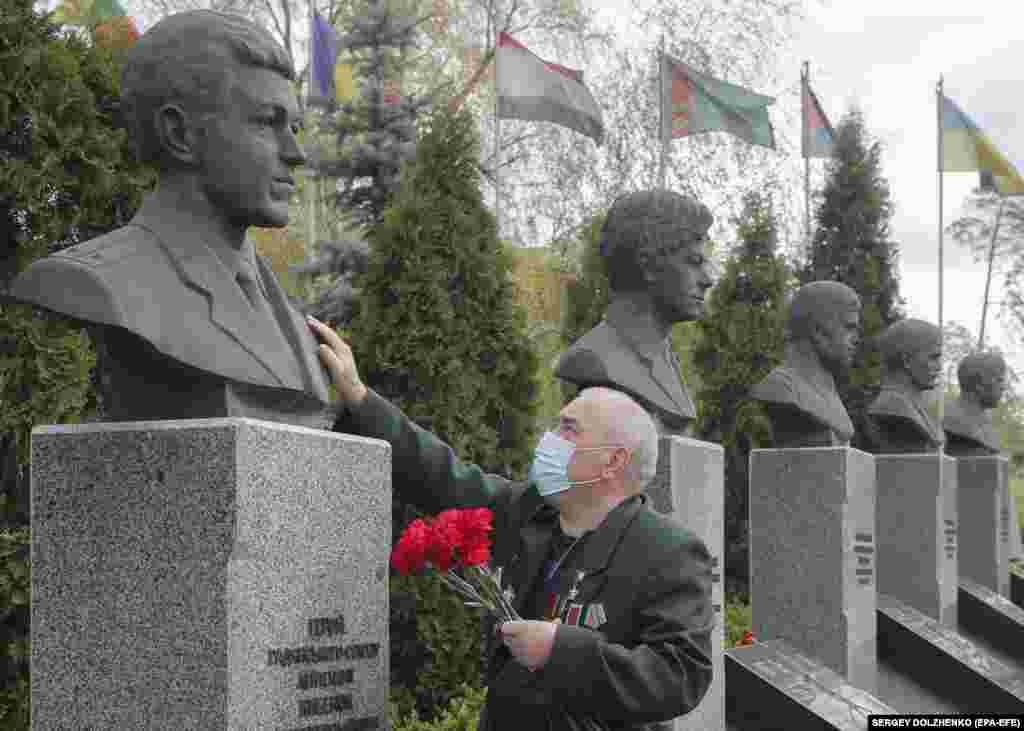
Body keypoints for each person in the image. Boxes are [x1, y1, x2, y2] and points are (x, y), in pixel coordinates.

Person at [308, 316, 714, 731]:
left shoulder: (669, 550)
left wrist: (562, 652)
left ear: (613, 461)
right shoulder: (528, 510)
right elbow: (440, 475)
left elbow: (681, 675)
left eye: (568, 430)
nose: (548, 439)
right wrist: (359, 397)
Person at [3, 11, 338, 429]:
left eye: (296, 127)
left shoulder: (288, 314)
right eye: (267, 123)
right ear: (180, 135)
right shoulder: (100, 283)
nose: (296, 152)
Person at [555, 190, 714, 436]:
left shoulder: (666, 358)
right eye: (693, 262)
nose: (708, 280)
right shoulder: (592, 359)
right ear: (648, 264)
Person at [750, 281, 861, 447]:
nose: (856, 339)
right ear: (817, 331)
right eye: (849, 328)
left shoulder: (827, 389)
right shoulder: (780, 387)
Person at [864, 319, 944, 454]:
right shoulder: (893, 406)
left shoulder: (912, 406)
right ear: (906, 360)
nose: (939, 367)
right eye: (933, 358)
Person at [944, 351, 1007, 456]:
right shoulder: (951, 419)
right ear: (979, 384)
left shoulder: (986, 425)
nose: (1003, 387)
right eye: (999, 380)